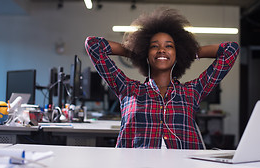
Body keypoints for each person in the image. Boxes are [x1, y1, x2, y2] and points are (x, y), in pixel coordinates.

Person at [85, 8, 239, 149]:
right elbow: (93, 45)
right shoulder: (128, 89)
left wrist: (189, 52)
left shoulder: (192, 91)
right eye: (154, 46)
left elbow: (230, 50)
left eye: (169, 46)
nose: (161, 50)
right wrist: (135, 52)